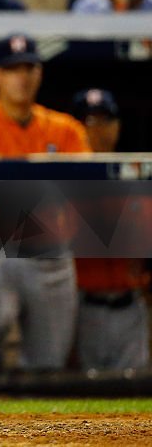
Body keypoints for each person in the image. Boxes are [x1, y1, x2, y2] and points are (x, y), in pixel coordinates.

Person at [0, 34, 91, 373]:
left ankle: (36, 426)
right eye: (12, 69)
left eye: (29, 67)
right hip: (1, 250)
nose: (21, 77)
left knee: (50, 359)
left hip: (53, 252)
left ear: (39, 73)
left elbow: (86, 192)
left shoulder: (66, 129)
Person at [70, 88, 151, 371]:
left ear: (118, 126)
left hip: (131, 305)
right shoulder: (60, 180)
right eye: (88, 122)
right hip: (82, 305)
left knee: (135, 397)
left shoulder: (138, 177)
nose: (98, 130)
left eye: (105, 121)